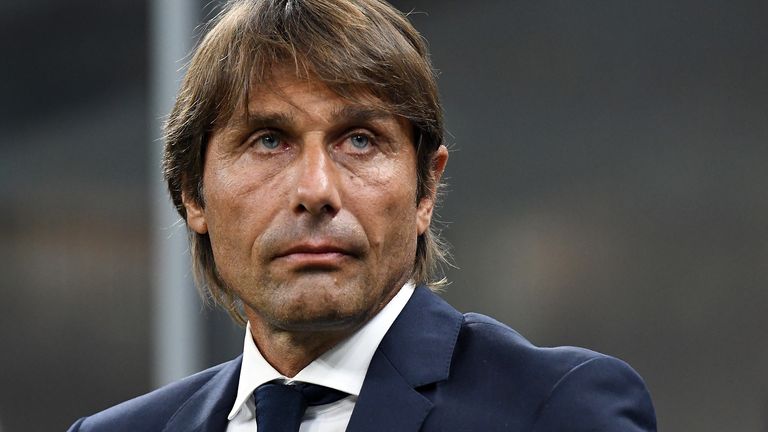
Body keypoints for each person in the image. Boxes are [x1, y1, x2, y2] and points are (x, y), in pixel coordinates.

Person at [68, 0, 657, 431]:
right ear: (193, 195)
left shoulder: (558, 410)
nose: (316, 190)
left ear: (426, 188)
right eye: (269, 140)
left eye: (359, 141)